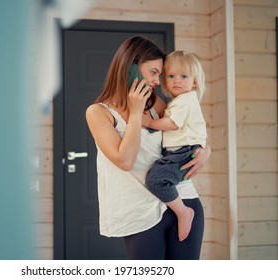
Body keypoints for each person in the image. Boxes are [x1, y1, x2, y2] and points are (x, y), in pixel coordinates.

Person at [85, 35, 211, 260]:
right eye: (153, 72)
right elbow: (125, 160)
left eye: (159, 75)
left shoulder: (155, 104)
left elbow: (188, 126)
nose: (157, 81)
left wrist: (205, 150)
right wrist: (135, 112)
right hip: (139, 213)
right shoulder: (98, 113)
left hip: (181, 200)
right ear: (131, 67)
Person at [142, 50, 207, 242]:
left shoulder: (186, 100)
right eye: (171, 76)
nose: (176, 80)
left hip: (184, 151)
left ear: (194, 82)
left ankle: (183, 212)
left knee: (157, 180)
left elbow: (172, 124)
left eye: (183, 76)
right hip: (181, 150)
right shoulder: (178, 101)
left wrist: (150, 123)